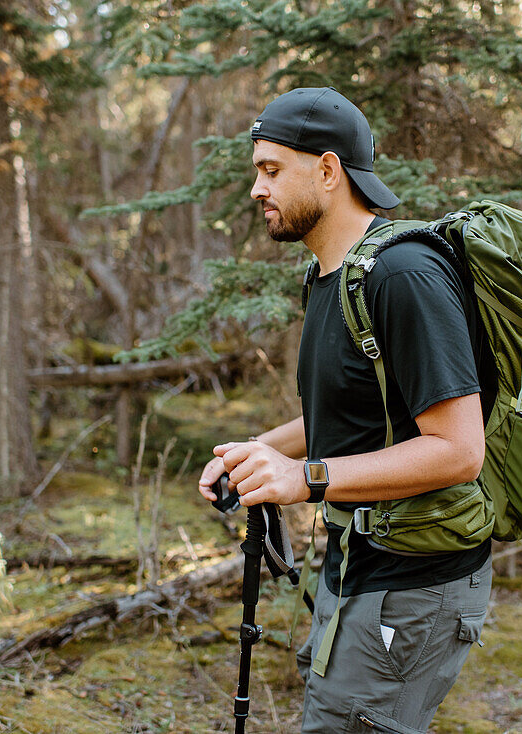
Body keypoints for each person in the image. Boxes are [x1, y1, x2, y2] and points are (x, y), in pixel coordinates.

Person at [198, 87, 492, 733]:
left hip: (414, 583)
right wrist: (262, 450)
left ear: (327, 171)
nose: (256, 188)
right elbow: (359, 410)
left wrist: (304, 479)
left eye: (271, 170)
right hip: (357, 564)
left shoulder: (402, 276)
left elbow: (459, 450)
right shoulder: (331, 277)